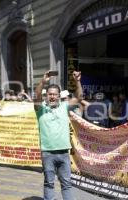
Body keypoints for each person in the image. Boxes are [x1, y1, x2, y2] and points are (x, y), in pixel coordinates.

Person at [34, 70, 82, 200]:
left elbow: (79, 98)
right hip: (48, 153)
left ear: (59, 96)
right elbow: (37, 95)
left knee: (66, 184)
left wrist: (77, 81)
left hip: (63, 153)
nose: (52, 97)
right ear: (46, 95)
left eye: (55, 94)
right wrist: (43, 82)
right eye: (50, 94)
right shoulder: (40, 109)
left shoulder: (64, 106)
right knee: (49, 183)